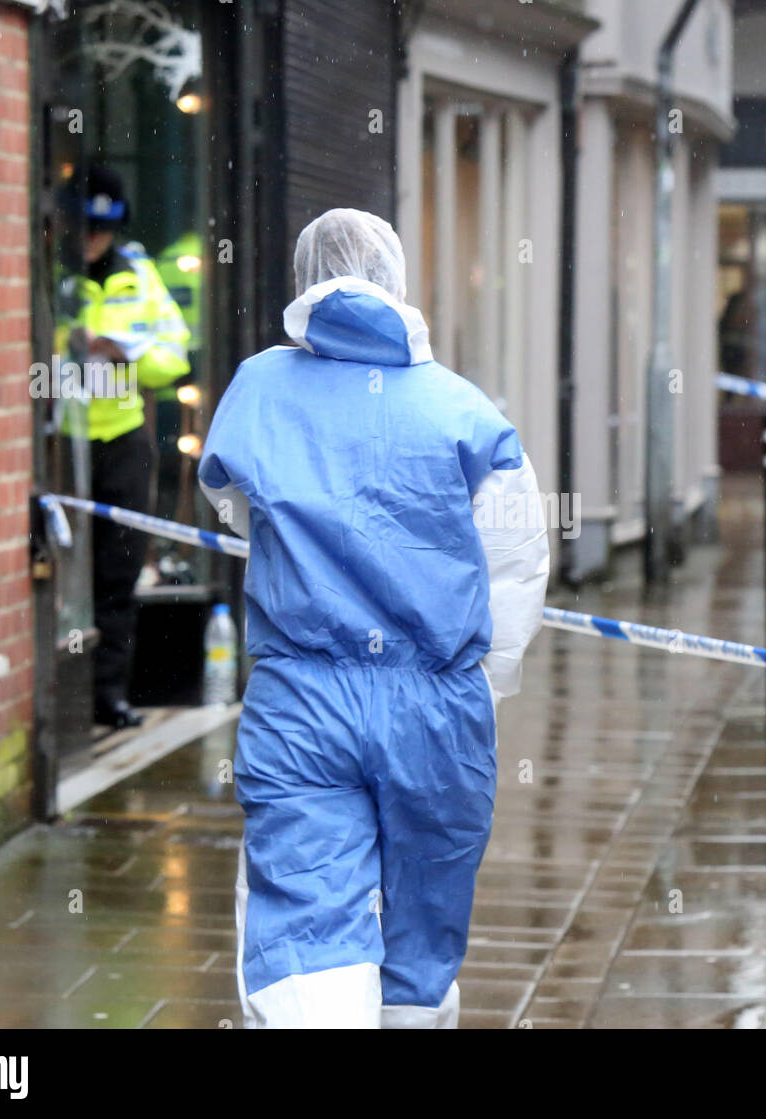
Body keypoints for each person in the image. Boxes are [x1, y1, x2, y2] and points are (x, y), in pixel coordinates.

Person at [198, 208, 550, 1028]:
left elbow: (232, 507)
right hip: (437, 708)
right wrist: (483, 682)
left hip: (302, 700)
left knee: (307, 913)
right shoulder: (466, 414)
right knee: (424, 928)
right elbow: (516, 566)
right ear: (396, 282)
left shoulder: (257, 389)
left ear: (302, 280)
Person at [56, 165, 191, 727]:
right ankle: (60, 699)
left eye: (102, 231)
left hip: (124, 438)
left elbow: (177, 354)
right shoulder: (55, 278)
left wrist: (128, 354)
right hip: (63, 441)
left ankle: (108, 697)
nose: (93, 240)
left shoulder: (138, 276)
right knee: (59, 571)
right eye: (85, 228)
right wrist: (69, 346)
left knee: (119, 571)